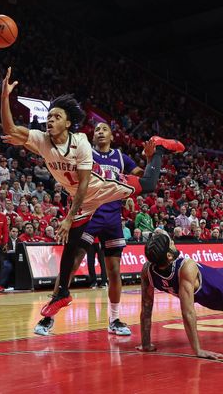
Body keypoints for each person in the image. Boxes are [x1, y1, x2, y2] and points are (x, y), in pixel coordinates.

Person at [0, 67, 184, 321]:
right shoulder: (42, 139)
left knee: (149, 185)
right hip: (83, 199)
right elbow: (9, 128)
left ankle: (160, 147)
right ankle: (61, 294)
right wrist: (4, 95)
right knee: (71, 246)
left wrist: (68, 217)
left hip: (102, 187)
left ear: (67, 122)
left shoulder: (81, 143)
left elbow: (85, 185)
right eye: (48, 116)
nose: (49, 120)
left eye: (56, 116)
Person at [35, 122, 151, 336]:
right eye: (96, 130)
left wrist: (150, 157)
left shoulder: (121, 157)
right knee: (72, 263)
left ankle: (114, 319)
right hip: (89, 213)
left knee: (114, 270)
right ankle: (48, 317)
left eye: (104, 129)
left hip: (113, 217)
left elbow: (142, 177)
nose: (100, 132)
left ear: (111, 136)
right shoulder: (86, 153)